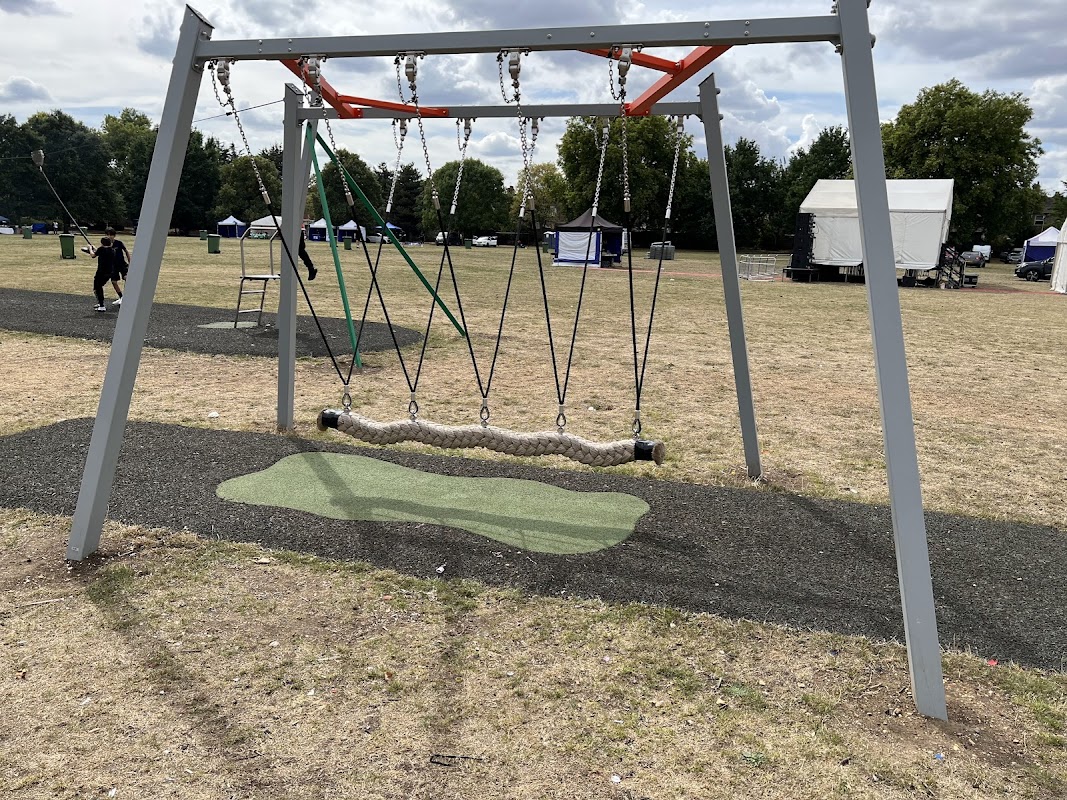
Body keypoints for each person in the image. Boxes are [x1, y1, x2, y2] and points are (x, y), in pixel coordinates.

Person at [83, 237, 116, 312]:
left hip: (101, 272)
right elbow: (98, 252)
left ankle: (101, 305)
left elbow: (93, 255)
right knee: (97, 287)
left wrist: (90, 249)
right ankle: (100, 302)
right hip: (109, 272)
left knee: (98, 288)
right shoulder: (112, 250)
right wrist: (94, 248)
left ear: (102, 243)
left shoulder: (102, 249)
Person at [106, 227, 129, 306]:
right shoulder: (106, 245)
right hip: (113, 266)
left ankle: (128, 297)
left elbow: (126, 251)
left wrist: (130, 261)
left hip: (122, 264)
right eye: (108, 235)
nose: (109, 236)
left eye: (111, 235)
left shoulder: (119, 243)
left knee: (127, 278)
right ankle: (121, 297)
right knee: (114, 282)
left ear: (114, 235)